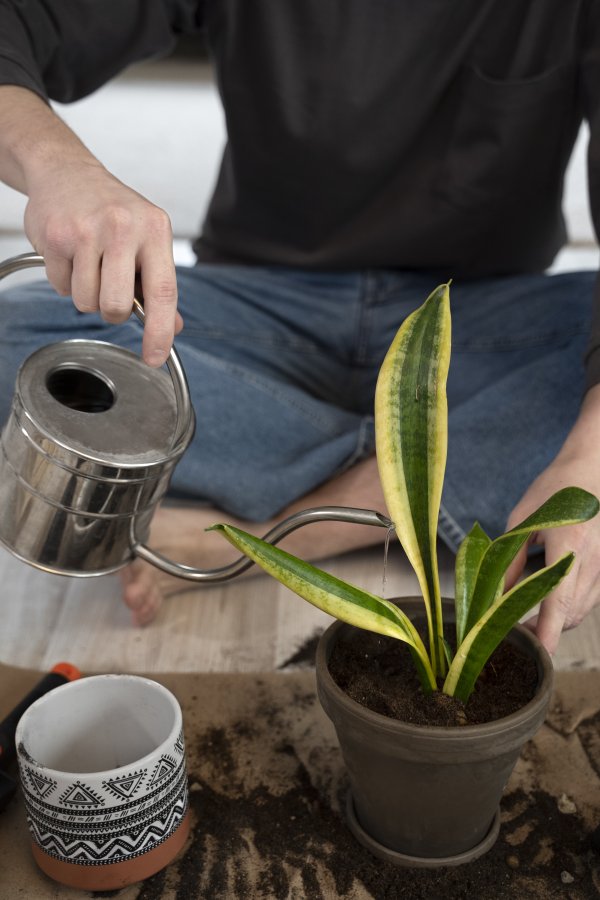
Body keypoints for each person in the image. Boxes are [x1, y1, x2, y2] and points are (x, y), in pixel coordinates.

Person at [0, 1, 599, 651]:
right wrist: (63, 170)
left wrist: (590, 457)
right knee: (19, 346)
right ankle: (428, 473)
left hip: (485, 320)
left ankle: (283, 533)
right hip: (262, 311)